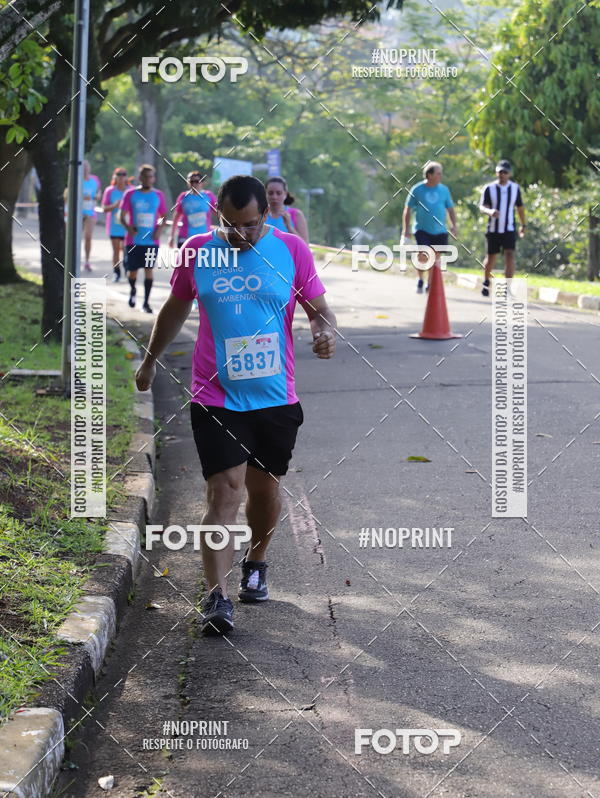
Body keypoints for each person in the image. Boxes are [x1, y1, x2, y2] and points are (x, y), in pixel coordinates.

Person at [135, 175, 336, 635]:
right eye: (229, 225)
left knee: (264, 491)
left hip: (274, 397)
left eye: (248, 226)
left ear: (266, 214)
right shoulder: (198, 250)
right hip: (215, 395)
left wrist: (324, 332)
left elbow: (320, 310)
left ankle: (258, 559)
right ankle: (215, 596)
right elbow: (175, 307)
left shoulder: (291, 250)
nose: (239, 235)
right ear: (215, 215)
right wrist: (149, 361)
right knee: (224, 491)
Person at [119, 164, 167, 313]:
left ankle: (146, 302)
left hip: (151, 241)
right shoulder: (130, 194)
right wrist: (128, 227)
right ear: (140, 178)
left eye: (151, 176)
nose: (148, 179)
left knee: (148, 269)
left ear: (154, 178)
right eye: (145, 176)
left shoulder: (158, 195)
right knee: (132, 272)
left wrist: (159, 230)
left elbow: (164, 216)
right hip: (133, 241)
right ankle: (133, 289)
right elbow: (121, 216)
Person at [402, 161, 457, 293]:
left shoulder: (444, 190)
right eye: (438, 174)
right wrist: (406, 229)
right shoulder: (417, 189)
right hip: (422, 229)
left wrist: (454, 225)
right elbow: (407, 210)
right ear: (429, 175)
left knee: (435, 258)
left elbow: (450, 209)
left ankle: (430, 283)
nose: (441, 176)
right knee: (423, 255)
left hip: (440, 231)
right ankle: (421, 278)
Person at [479, 159, 526, 297]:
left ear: (509, 174)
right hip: (493, 228)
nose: (502, 175)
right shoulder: (489, 188)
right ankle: (486, 281)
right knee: (491, 257)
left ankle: (508, 286)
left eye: (505, 172)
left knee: (510, 255)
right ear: (496, 172)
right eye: (500, 172)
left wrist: (524, 225)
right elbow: (482, 206)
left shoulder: (515, 188)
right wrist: (490, 212)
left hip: (509, 228)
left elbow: (520, 208)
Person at [168, 171, 217, 248]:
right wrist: (171, 236)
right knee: (184, 260)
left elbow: (219, 214)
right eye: (191, 181)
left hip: (204, 237)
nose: (194, 184)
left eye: (197, 181)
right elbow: (176, 217)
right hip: (185, 238)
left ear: (202, 183)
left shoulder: (209, 196)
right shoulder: (183, 196)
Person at [102, 167, 128, 282]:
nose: (121, 177)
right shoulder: (109, 191)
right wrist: (115, 205)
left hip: (127, 226)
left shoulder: (131, 190)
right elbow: (104, 208)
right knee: (116, 250)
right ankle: (117, 273)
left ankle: (127, 270)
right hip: (114, 226)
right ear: (115, 177)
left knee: (126, 250)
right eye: (119, 174)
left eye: (123, 174)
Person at [265, 176, 309, 243]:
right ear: (265, 194)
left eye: (278, 193)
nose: (274, 197)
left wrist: (289, 227)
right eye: (270, 193)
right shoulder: (259, 215)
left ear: (285, 194)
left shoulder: (296, 214)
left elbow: (305, 246)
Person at [81, 160, 101, 272]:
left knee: (88, 237)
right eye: (83, 167)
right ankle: (71, 258)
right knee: (73, 237)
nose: (85, 169)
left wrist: (97, 196)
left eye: (87, 167)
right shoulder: (76, 179)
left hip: (90, 212)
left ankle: (87, 261)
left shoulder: (95, 180)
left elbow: (99, 192)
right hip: (77, 212)